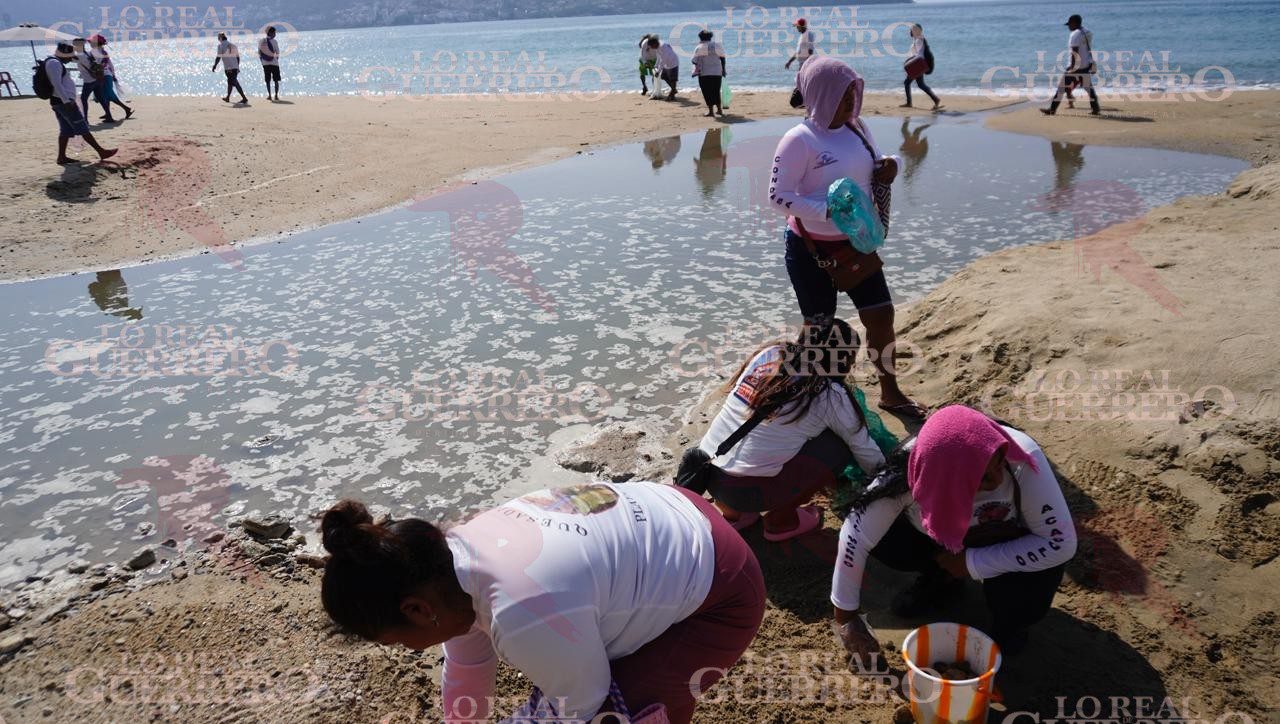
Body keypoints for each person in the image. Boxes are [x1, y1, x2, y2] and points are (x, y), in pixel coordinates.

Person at [319, 481, 765, 723]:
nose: (408, 651)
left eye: (397, 643)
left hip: (722, 590)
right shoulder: (453, 563)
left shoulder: (520, 615)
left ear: (415, 610)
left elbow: (583, 705)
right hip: (675, 505)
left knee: (626, 707)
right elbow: (468, 667)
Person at [831, 405, 1078, 658]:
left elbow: (1061, 543)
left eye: (998, 466)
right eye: (980, 480)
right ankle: (941, 578)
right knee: (885, 538)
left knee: (1022, 600)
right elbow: (854, 534)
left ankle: (1011, 625)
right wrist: (847, 619)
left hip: (1006, 539)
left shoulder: (1022, 457)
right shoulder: (910, 469)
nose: (996, 481)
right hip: (941, 542)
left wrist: (973, 562)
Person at [768, 56, 927, 419]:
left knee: (881, 314)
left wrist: (892, 165)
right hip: (810, 250)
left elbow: (872, 162)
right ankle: (816, 400)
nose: (850, 103)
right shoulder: (799, 140)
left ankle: (890, 392)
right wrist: (827, 209)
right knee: (820, 330)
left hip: (856, 242)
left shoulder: (858, 127)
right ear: (822, 96)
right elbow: (777, 197)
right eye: (842, 96)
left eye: (853, 94)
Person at [697, 319, 885, 541]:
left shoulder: (770, 354)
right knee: (839, 445)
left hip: (707, 473)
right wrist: (887, 476)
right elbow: (863, 448)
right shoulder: (830, 394)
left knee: (764, 433)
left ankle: (735, 515)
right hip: (748, 491)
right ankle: (780, 520)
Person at [43, 44, 117, 165]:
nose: (69, 60)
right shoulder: (54, 63)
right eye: (69, 57)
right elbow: (57, 84)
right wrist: (66, 101)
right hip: (64, 102)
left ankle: (61, 157)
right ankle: (101, 151)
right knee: (83, 128)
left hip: (59, 101)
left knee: (65, 130)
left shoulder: (53, 62)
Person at [1042, 14, 1099, 116]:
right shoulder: (1087, 32)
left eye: (1069, 24)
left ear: (1074, 23)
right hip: (1085, 65)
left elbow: (1075, 52)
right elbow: (1087, 49)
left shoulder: (1075, 34)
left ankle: (1052, 110)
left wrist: (1073, 68)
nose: (1068, 27)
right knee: (1089, 88)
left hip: (1076, 67)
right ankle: (1096, 109)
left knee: (1061, 88)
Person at [88, 35, 133, 120]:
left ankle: (126, 109)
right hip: (107, 75)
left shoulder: (95, 52)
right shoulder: (103, 52)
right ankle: (108, 113)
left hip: (102, 76)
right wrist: (113, 75)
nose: (90, 44)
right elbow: (110, 65)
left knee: (109, 95)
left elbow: (97, 65)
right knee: (106, 95)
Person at [900, 24, 940, 110]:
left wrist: (908, 63)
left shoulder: (919, 40)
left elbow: (919, 55)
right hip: (918, 65)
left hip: (918, 65)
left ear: (915, 31)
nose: (910, 32)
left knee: (907, 83)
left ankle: (909, 103)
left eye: (911, 30)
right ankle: (936, 100)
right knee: (921, 85)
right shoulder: (918, 39)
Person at [72, 38, 111, 122]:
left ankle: (85, 119)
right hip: (96, 79)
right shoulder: (88, 53)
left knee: (83, 99)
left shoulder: (79, 55)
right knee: (100, 98)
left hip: (88, 81)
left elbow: (69, 59)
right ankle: (109, 116)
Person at [691, 29, 726, 117]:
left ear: (700, 37)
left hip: (704, 73)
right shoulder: (717, 45)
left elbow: (694, 61)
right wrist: (724, 70)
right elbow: (722, 58)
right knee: (716, 91)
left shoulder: (699, 47)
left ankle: (711, 111)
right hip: (717, 72)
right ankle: (719, 110)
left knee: (707, 92)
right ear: (710, 37)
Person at [212, 32, 249, 104]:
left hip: (228, 68)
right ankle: (228, 97)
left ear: (220, 38)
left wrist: (215, 65)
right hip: (234, 67)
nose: (218, 39)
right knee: (230, 82)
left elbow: (218, 57)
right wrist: (237, 66)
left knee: (234, 82)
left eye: (218, 37)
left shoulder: (220, 46)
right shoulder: (233, 45)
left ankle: (244, 98)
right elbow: (238, 57)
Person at [649, 35, 679, 100]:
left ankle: (672, 94)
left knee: (673, 79)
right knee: (664, 76)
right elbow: (659, 57)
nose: (651, 48)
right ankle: (674, 90)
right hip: (666, 64)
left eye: (651, 46)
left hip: (673, 63)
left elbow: (663, 61)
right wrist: (655, 65)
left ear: (654, 43)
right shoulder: (657, 46)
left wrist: (658, 71)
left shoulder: (663, 47)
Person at [259, 25, 282, 101]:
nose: (275, 34)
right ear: (271, 33)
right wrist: (276, 59)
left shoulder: (261, 41)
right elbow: (277, 52)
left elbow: (259, 53)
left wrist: (262, 62)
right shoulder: (274, 41)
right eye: (274, 33)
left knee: (267, 80)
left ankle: (269, 95)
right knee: (276, 80)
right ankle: (276, 95)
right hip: (274, 63)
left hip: (265, 63)